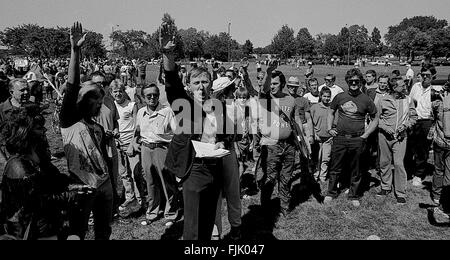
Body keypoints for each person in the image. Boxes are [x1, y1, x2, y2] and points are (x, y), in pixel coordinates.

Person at [160, 22, 233, 240]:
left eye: (204, 81)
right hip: (193, 169)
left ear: (210, 84)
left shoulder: (218, 107)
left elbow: (227, 135)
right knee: (192, 227)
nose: (201, 86)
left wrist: (223, 143)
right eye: (196, 82)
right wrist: (167, 54)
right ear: (189, 86)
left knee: (209, 221)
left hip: (215, 168)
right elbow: (172, 83)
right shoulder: (185, 105)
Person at [0, 104, 88, 240]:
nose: (45, 130)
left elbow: (52, 177)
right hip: (28, 232)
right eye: (39, 128)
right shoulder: (18, 167)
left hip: (46, 226)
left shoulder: (37, 154)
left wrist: (72, 184)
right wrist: (71, 196)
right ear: (25, 132)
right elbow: (39, 201)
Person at [59, 22, 113, 240]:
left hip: (104, 185)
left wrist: (111, 185)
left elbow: (102, 157)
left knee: (103, 231)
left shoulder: (97, 126)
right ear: (84, 100)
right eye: (95, 101)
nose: (99, 105)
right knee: (77, 232)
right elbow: (71, 87)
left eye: (101, 101)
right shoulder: (69, 120)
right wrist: (75, 51)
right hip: (81, 186)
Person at [324, 68, 378, 207]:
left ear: (361, 82)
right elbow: (331, 111)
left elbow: (375, 118)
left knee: (356, 168)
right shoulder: (340, 97)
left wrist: (365, 135)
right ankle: (331, 192)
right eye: (351, 81)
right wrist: (330, 128)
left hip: (357, 139)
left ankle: (353, 195)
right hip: (340, 138)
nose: (354, 83)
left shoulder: (366, 99)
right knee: (335, 166)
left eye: (357, 81)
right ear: (347, 81)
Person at [129, 83, 179, 225]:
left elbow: (176, 133)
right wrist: (134, 142)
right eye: (148, 95)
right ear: (143, 98)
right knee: (150, 182)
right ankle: (152, 212)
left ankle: (171, 213)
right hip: (145, 149)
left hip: (162, 149)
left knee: (167, 181)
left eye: (155, 95)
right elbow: (138, 130)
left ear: (159, 95)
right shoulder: (140, 112)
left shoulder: (167, 111)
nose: (152, 98)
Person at [259, 64, 299, 216]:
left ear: (282, 84)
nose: (272, 86)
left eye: (275, 83)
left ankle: (284, 206)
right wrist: (269, 73)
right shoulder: (265, 98)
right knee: (270, 177)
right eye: (271, 83)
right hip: (271, 145)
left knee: (286, 177)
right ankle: (265, 207)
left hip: (289, 145)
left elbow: (294, 121)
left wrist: (302, 140)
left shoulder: (290, 100)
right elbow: (263, 89)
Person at [376, 77, 417, 204]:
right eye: (402, 86)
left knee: (399, 164)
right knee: (384, 162)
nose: (405, 87)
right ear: (394, 88)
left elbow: (414, 117)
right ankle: (385, 187)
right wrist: (384, 127)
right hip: (384, 136)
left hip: (400, 138)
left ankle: (400, 193)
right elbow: (375, 118)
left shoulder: (408, 99)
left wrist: (406, 125)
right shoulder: (383, 100)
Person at [110, 80, 144, 217]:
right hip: (117, 143)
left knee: (136, 173)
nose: (118, 94)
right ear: (111, 93)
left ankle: (141, 199)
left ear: (124, 91)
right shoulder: (111, 106)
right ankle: (129, 197)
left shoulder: (132, 105)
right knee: (123, 173)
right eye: (115, 91)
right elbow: (112, 123)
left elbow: (137, 125)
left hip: (131, 142)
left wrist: (133, 143)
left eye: (120, 91)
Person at [405, 64, 436, 187]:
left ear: (433, 76)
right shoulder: (415, 87)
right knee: (409, 146)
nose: (424, 78)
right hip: (414, 120)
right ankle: (407, 171)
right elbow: (410, 102)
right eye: (422, 75)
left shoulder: (436, 89)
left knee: (423, 149)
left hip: (427, 121)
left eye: (427, 75)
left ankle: (418, 174)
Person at [430, 73, 450, 217]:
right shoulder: (441, 100)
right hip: (440, 140)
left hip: (443, 140)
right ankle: (439, 195)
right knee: (441, 170)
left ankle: (441, 197)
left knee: (441, 170)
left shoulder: (442, 101)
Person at [310, 87, 333, 182]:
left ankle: (323, 176)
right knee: (317, 158)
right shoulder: (314, 107)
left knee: (326, 158)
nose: (326, 98)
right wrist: (313, 133)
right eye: (324, 96)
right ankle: (315, 174)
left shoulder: (332, 108)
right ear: (320, 96)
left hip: (328, 138)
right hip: (317, 137)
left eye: (328, 96)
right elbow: (310, 121)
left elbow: (335, 121)